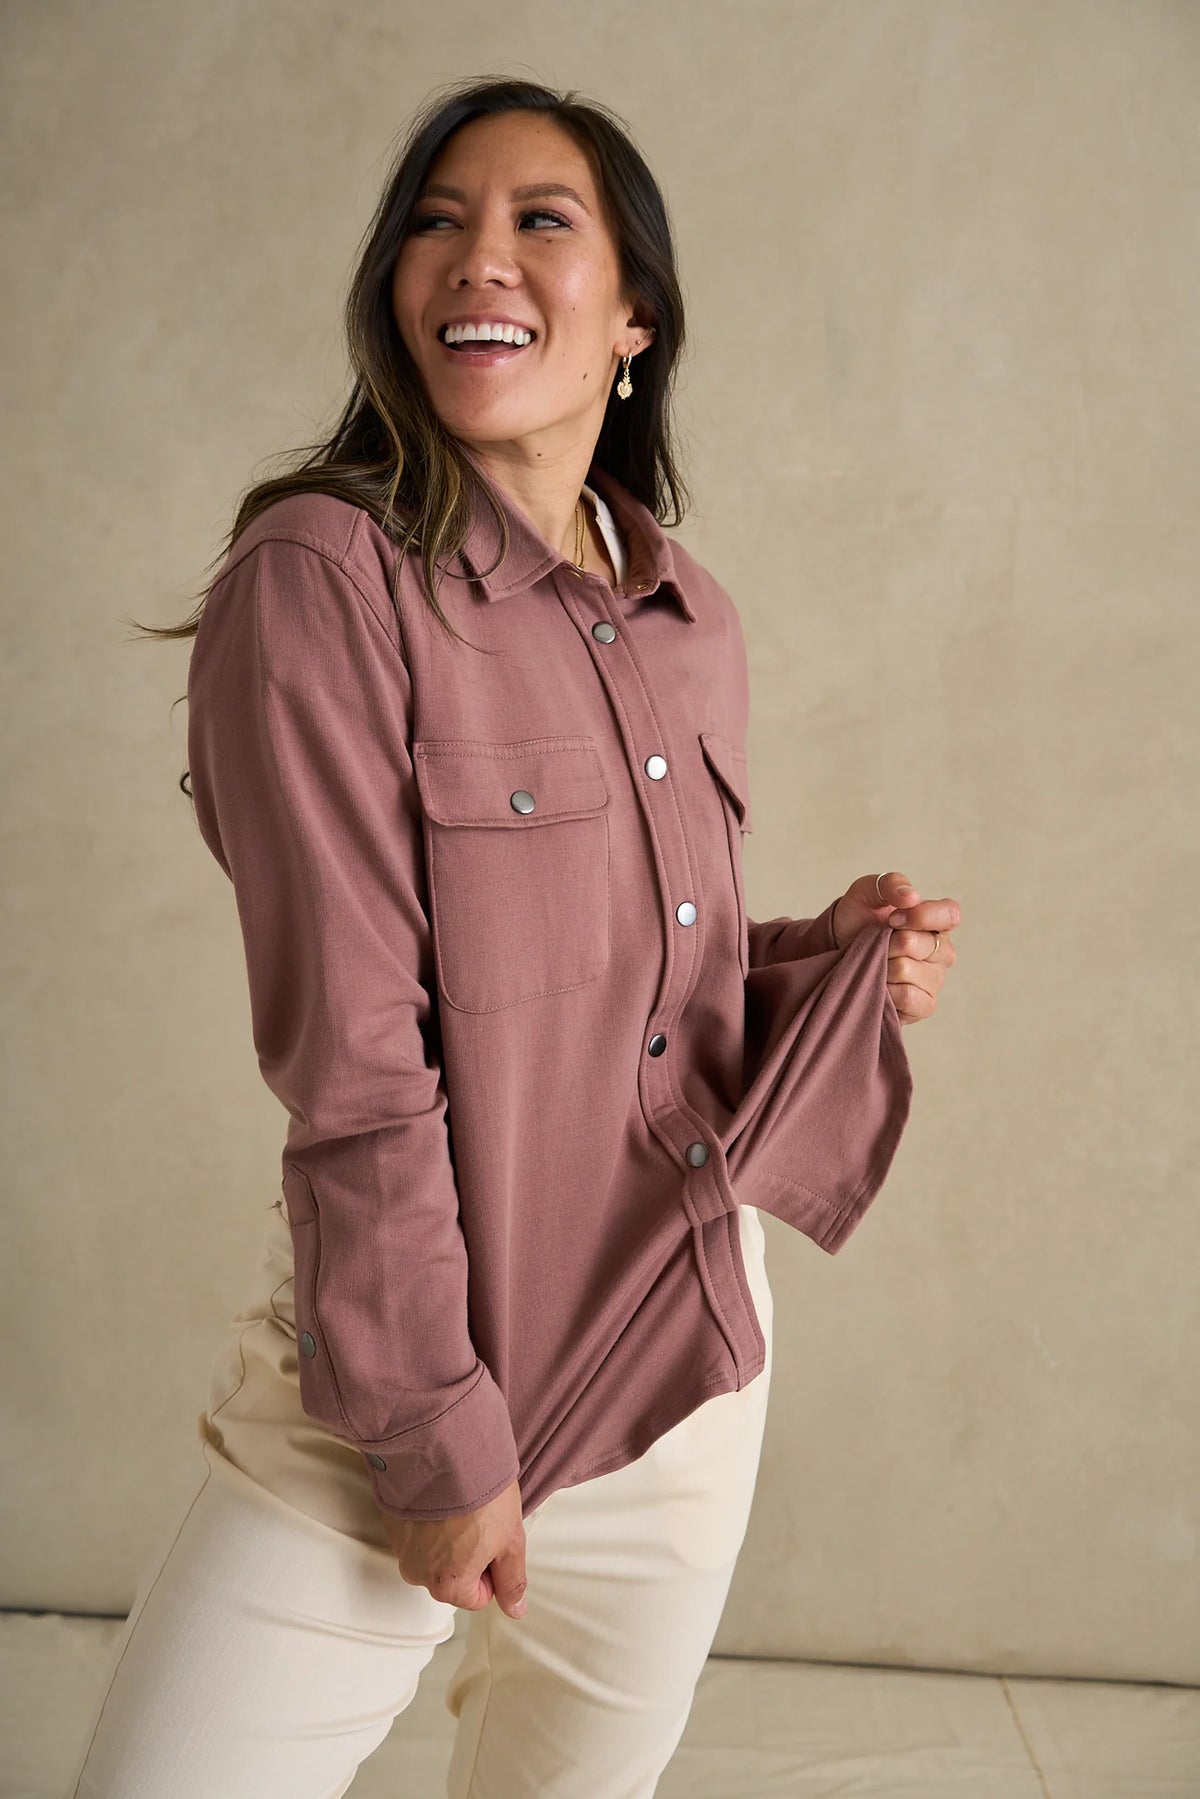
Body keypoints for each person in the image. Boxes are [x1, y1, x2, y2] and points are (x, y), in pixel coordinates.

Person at [69, 74, 960, 1799]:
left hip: (684, 1362)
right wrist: (432, 1433)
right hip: (408, 1376)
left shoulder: (687, 615)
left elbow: (636, 989)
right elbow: (359, 1056)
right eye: (435, 220)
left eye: (541, 220)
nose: (477, 255)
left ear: (635, 319)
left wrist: (816, 958)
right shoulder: (322, 581)